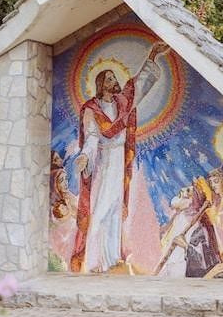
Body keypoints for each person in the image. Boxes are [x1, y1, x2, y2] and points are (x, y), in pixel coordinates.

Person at [70, 41, 170, 273]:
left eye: (115, 79)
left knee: (115, 207)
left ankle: (111, 257)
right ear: (102, 85)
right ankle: (94, 261)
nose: (116, 82)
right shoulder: (92, 109)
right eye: (111, 80)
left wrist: (152, 55)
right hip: (103, 162)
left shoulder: (122, 102)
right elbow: (92, 137)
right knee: (102, 207)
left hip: (118, 160)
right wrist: (85, 156)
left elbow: (139, 85)